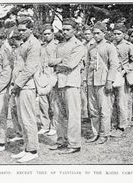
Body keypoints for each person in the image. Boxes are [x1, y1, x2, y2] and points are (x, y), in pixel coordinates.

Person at [47, 18, 86, 153]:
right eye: (63, 29)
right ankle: (61, 141)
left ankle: (74, 144)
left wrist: (59, 63)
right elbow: (49, 61)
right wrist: (62, 60)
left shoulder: (78, 45)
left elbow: (71, 64)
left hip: (71, 83)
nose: (65, 32)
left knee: (73, 114)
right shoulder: (59, 45)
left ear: (74, 30)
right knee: (58, 114)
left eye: (68, 29)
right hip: (59, 82)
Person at [10, 18, 41, 163]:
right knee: (22, 119)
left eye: (24, 30)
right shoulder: (24, 44)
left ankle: (33, 150)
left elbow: (29, 68)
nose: (21, 32)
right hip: (20, 85)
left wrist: (17, 84)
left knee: (28, 119)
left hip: (27, 86)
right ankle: (27, 148)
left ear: (31, 30)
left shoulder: (34, 44)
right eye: (19, 30)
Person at [85, 22, 119, 144]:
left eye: (98, 33)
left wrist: (109, 80)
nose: (95, 35)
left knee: (104, 109)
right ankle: (96, 133)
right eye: (94, 33)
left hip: (103, 81)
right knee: (93, 109)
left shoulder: (109, 47)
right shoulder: (90, 48)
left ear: (104, 33)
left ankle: (105, 133)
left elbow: (114, 64)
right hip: (91, 81)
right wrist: (86, 81)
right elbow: (88, 65)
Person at [37, 24, 59, 136]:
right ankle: (45, 125)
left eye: (48, 33)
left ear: (53, 34)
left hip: (53, 76)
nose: (46, 36)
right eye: (44, 34)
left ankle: (54, 126)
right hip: (43, 76)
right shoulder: (42, 46)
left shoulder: (57, 45)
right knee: (43, 103)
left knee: (54, 103)